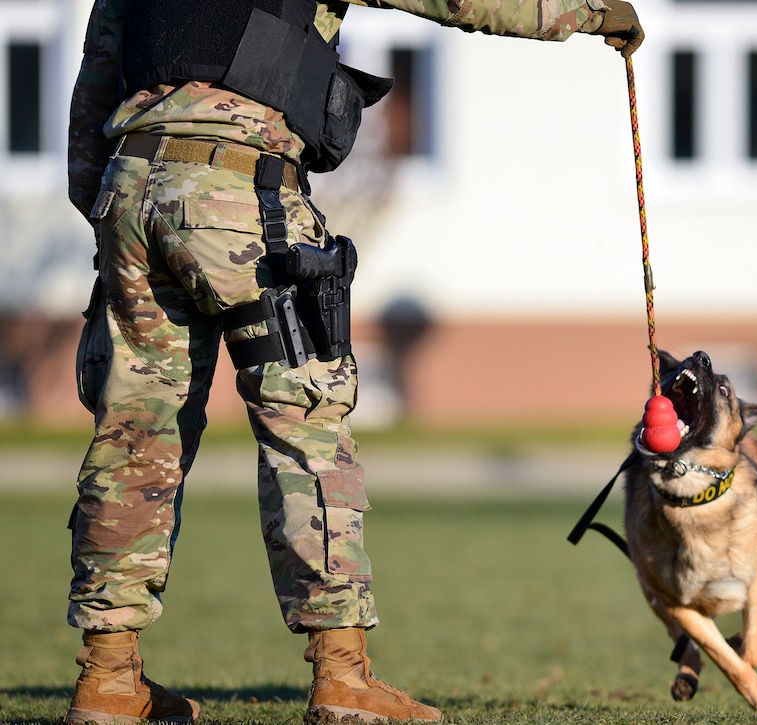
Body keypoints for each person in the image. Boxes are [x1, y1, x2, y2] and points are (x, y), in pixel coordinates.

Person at [64, 0, 643, 722]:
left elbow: (96, 79)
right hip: (242, 188)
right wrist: (589, 12)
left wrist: (107, 211)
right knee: (305, 426)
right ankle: (342, 677)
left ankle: (108, 680)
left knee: (133, 439)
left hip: (132, 186)